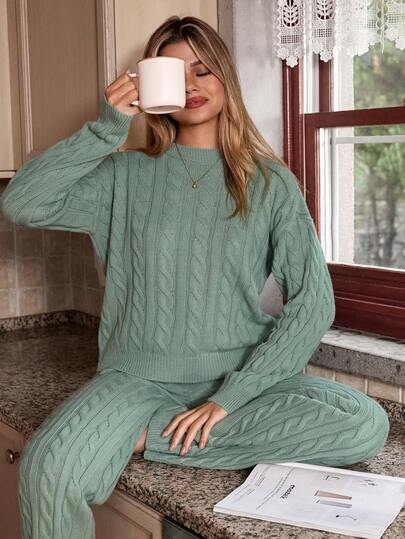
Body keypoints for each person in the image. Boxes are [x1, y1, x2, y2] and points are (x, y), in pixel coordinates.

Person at [0, 14, 389, 539]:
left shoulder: (270, 182)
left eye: (203, 70)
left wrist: (229, 397)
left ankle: (149, 436)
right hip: (135, 378)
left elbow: (313, 303)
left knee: (364, 422)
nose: (191, 85)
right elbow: (23, 203)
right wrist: (106, 127)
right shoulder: (123, 174)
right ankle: (148, 428)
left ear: (226, 77)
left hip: (239, 377)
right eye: (174, 73)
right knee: (46, 472)